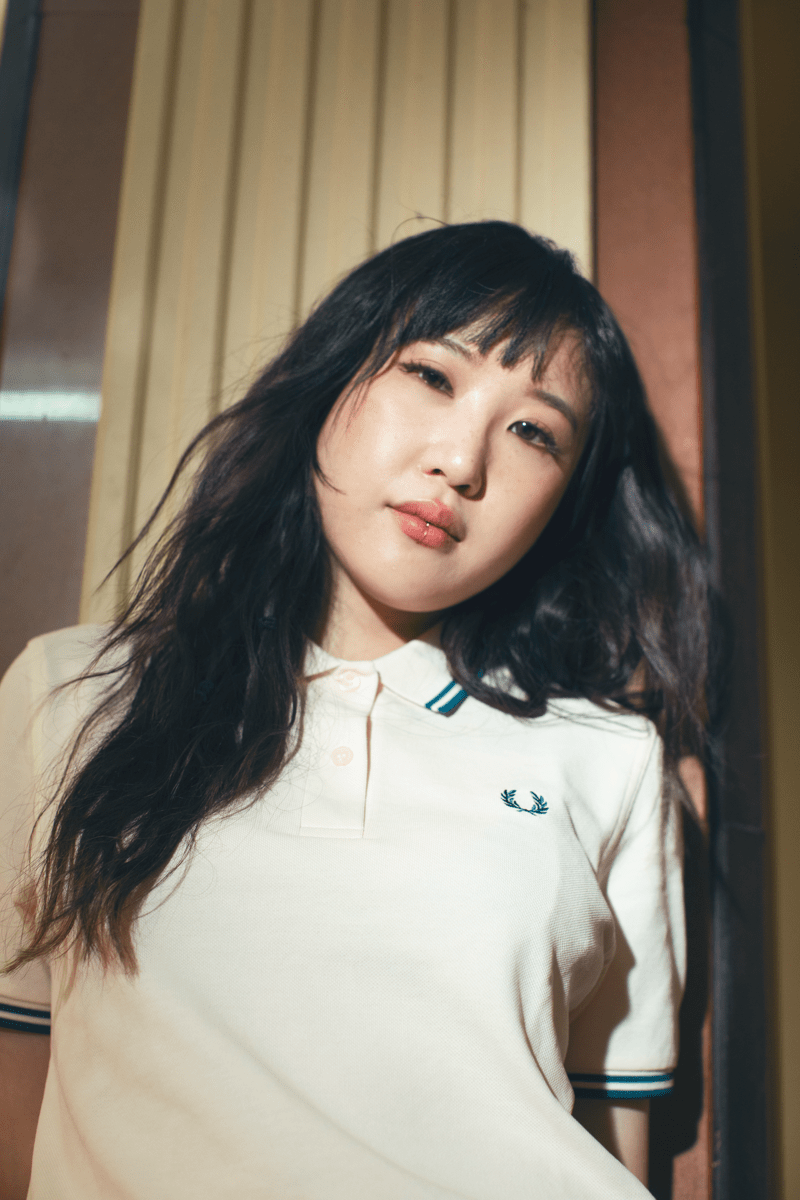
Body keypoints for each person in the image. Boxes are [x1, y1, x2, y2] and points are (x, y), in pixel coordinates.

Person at [0, 222, 710, 1199]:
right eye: (431, 375)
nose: (461, 461)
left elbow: (613, 1137)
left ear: (561, 504)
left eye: (533, 432)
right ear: (332, 377)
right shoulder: (71, 693)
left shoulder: (609, 758)